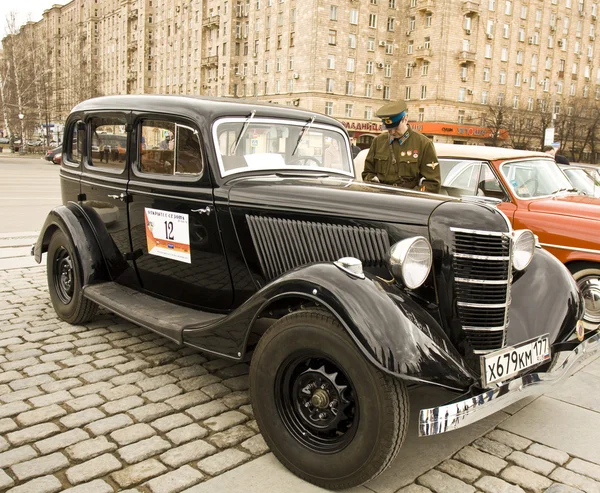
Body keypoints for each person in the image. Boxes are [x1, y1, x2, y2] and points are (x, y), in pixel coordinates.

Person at [362, 101, 441, 193]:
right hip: (381, 198)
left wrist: (413, 195)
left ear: (405, 119)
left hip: (408, 201)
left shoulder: (423, 144)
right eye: (389, 129)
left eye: (396, 128)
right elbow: (367, 172)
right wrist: (372, 180)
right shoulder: (378, 142)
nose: (392, 132)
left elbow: (433, 183)